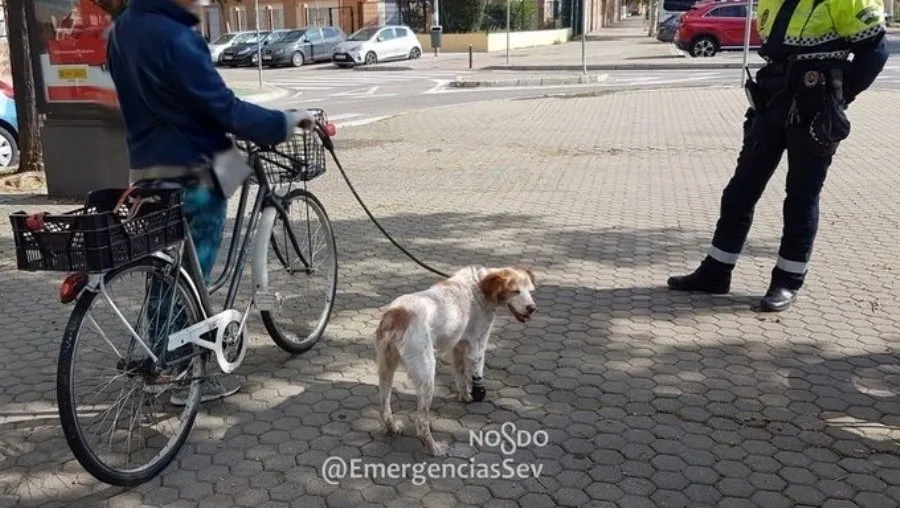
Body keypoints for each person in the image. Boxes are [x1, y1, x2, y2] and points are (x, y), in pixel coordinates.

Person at [105, 0, 316, 404]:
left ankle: (161, 357)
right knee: (190, 272)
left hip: (150, 169)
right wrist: (286, 122)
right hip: (193, 171)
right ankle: (183, 372)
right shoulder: (177, 36)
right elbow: (225, 109)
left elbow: (170, 100)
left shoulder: (122, 30)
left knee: (165, 273)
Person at [667, 0, 888, 312]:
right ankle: (716, 271)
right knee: (740, 190)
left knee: (801, 197)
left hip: (814, 102)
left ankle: (787, 280)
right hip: (772, 97)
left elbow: (875, 52)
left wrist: (838, 99)